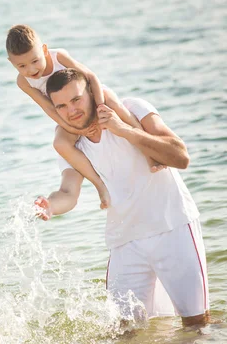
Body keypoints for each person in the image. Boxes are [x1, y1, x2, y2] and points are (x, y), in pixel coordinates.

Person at [34, 68, 209, 327]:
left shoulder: (133, 109)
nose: (71, 111)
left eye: (76, 99)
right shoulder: (72, 145)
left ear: (92, 93)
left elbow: (180, 157)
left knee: (196, 325)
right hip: (124, 243)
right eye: (61, 106)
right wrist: (49, 206)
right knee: (122, 332)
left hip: (173, 229)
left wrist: (123, 129)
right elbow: (68, 192)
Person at [6, 24, 164, 209]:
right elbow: (48, 108)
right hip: (67, 115)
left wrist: (100, 105)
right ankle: (100, 185)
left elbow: (91, 77)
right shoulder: (23, 82)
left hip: (93, 97)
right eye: (22, 66)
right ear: (11, 62)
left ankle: (149, 152)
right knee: (60, 144)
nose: (31, 70)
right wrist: (74, 129)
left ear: (44, 50)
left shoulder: (59, 56)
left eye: (35, 61)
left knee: (117, 106)